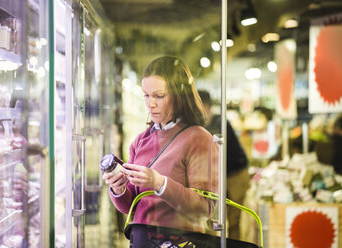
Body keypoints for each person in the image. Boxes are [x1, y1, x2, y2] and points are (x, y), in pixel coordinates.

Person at [103, 56, 219, 247]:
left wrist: (159, 183)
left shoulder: (199, 139)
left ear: (179, 95)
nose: (150, 104)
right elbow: (130, 207)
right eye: (146, 95)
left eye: (159, 96)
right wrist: (118, 188)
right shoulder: (141, 140)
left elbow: (204, 209)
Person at [198, 89, 250, 240]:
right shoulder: (196, 126)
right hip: (213, 179)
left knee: (234, 221)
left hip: (235, 175)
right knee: (209, 223)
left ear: (207, 106)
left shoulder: (221, 124)